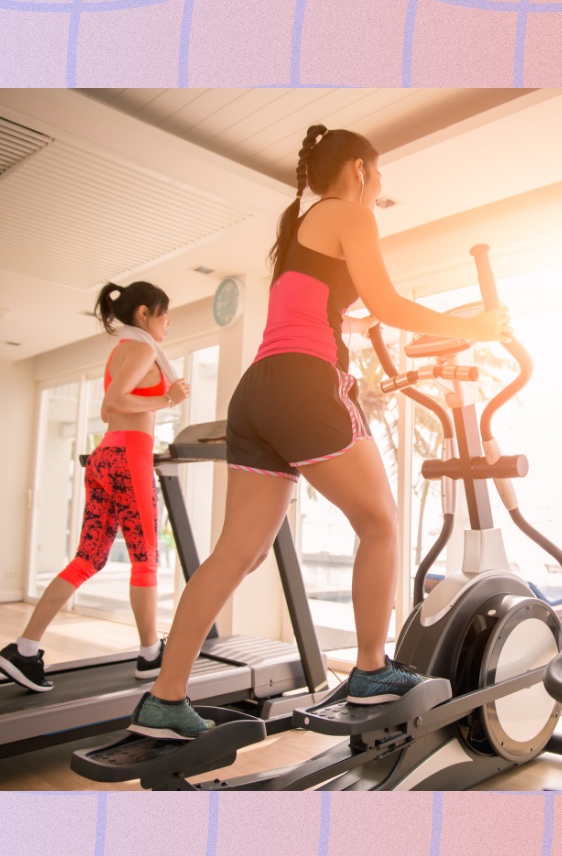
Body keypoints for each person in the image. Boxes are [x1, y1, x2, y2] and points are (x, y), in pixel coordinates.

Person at [128, 125, 511, 739]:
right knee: (381, 523)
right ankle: (368, 670)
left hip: (259, 392)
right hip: (305, 385)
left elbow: (336, 313)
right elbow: (386, 302)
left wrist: (358, 336)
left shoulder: (302, 233)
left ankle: (164, 699)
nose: (379, 190)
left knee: (239, 552)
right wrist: (478, 327)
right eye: (378, 177)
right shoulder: (350, 214)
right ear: (359, 170)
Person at [0, 281, 190, 691]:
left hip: (105, 459)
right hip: (129, 458)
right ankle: (151, 655)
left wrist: (159, 400)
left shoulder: (122, 351)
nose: (169, 320)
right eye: (164, 312)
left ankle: (24, 649)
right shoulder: (145, 349)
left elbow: (106, 406)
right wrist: (167, 401)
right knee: (146, 561)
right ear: (143, 314)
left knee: (88, 558)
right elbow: (115, 404)